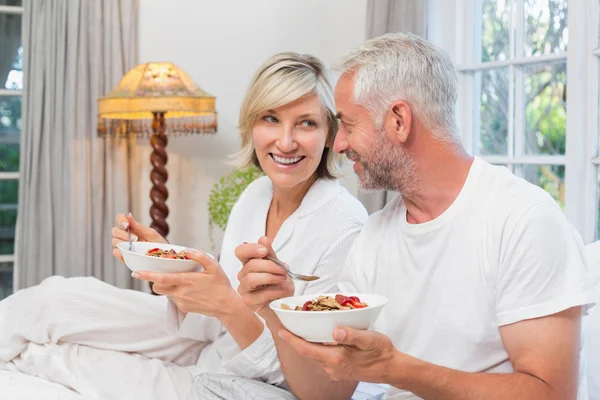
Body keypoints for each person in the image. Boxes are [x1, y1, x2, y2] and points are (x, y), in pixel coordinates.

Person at [235, 33, 597, 400]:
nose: (339, 143)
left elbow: (550, 393)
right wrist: (276, 307)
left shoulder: (523, 219)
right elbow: (328, 393)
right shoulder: (374, 237)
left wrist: (396, 370)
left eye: (348, 124)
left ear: (398, 121)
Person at [0, 52, 368, 400]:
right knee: (53, 299)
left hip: (244, 380)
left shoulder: (345, 227)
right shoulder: (256, 195)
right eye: (270, 118)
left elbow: (316, 384)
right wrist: (171, 260)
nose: (285, 141)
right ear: (252, 124)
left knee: (58, 358)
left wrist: (231, 310)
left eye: (306, 123)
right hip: (211, 338)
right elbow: (225, 292)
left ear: (330, 136)